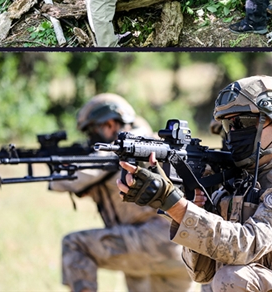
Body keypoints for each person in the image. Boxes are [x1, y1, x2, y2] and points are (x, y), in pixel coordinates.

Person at [117, 76, 272, 291]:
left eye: (244, 123)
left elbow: (246, 245)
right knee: (216, 280)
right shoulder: (241, 176)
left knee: (233, 279)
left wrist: (172, 202)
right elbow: (201, 273)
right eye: (229, 124)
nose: (233, 133)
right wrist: (193, 204)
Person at [50, 94, 194, 292]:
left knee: (75, 245)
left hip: (153, 241)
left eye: (91, 131)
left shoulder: (122, 151)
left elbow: (64, 181)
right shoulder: (151, 143)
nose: (90, 138)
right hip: (178, 250)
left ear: (109, 125)